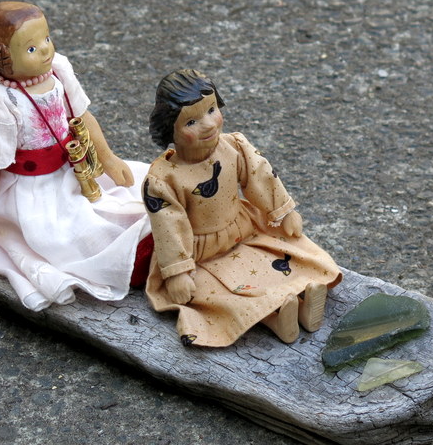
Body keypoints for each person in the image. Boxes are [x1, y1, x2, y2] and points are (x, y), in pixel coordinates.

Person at [0, 1, 151, 311]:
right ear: (1, 57)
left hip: (73, 169)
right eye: (31, 48)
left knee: (127, 193)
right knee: (64, 236)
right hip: (32, 192)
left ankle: (147, 238)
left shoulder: (58, 72)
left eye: (46, 38)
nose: (45, 49)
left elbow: (82, 116)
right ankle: (128, 259)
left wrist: (107, 157)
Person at [143, 69, 341, 346]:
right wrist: (177, 271)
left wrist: (282, 210)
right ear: (170, 129)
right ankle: (277, 318)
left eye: (212, 109)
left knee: (286, 258)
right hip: (198, 253)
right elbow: (168, 224)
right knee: (219, 295)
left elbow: (260, 174)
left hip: (243, 230)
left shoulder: (233, 146)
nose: (208, 124)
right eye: (191, 121)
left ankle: (304, 299)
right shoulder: (164, 178)